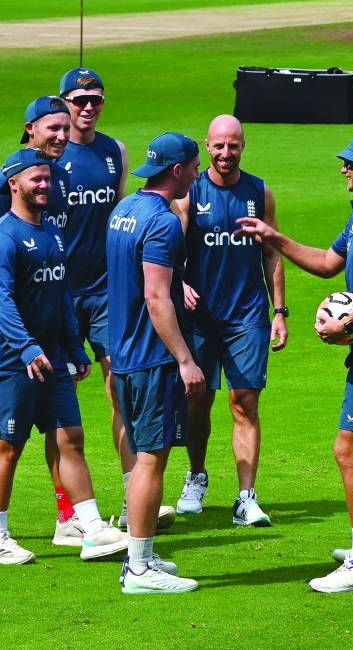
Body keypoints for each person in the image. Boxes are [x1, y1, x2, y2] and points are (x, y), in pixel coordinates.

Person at [236, 132, 353, 593]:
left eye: (350, 163)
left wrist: (350, 322)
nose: (343, 169)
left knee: (349, 449)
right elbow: (325, 262)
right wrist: (274, 237)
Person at [0, 148, 127, 565]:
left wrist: (73, 346)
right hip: (10, 359)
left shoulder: (53, 232)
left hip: (50, 356)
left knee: (70, 437)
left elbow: (61, 295)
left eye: (47, 178)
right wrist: (27, 347)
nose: (44, 185)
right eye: (35, 179)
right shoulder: (4, 238)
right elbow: (1, 302)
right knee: (9, 444)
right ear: (14, 184)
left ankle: (92, 527)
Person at [0, 96, 82, 547]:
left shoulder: (59, 176)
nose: (62, 136)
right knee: (10, 420)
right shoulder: (6, 178)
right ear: (30, 129)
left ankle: (67, 514)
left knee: (58, 421)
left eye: (66, 128)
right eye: (53, 128)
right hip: (16, 324)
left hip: (56, 302)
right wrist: (6, 323)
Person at [56, 68, 175, 531]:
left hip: (107, 295)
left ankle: (132, 501)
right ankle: (66, 514)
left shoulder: (115, 152)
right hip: (60, 294)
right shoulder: (51, 157)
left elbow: (123, 218)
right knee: (56, 403)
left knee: (119, 392)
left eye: (97, 100)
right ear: (63, 102)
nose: (88, 107)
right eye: (80, 99)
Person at [171, 114, 288, 526]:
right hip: (200, 318)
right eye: (218, 146)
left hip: (247, 316)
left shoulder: (259, 192)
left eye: (232, 145)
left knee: (246, 403)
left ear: (243, 145)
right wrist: (179, 281)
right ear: (206, 146)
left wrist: (279, 312)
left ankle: (245, 496)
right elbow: (168, 247)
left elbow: (271, 252)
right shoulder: (189, 193)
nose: (225, 153)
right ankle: (197, 476)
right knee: (198, 400)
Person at [106, 132, 205, 594]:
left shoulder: (124, 210)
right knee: (152, 459)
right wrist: (185, 359)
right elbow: (155, 296)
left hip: (123, 354)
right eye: (194, 165)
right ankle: (139, 568)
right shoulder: (163, 222)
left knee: (146, 455)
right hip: (151, 358)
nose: (199, 173)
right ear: (177, 169)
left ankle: (142, 558)